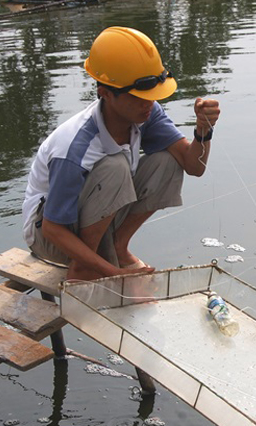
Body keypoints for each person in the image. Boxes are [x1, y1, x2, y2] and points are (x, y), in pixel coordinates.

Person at [22, 26, 220, 281]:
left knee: (167, 161)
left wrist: (203, 130)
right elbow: (53, 229)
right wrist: (113, 273)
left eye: (151, 97)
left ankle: (117, 246)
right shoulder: (72, 148)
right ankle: (85, 267)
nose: (148, 104)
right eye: (139, 97)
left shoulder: (147, 112)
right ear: (105, 93)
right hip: (50, 237)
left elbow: (194, 166)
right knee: (114, 167)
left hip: (96, 218)